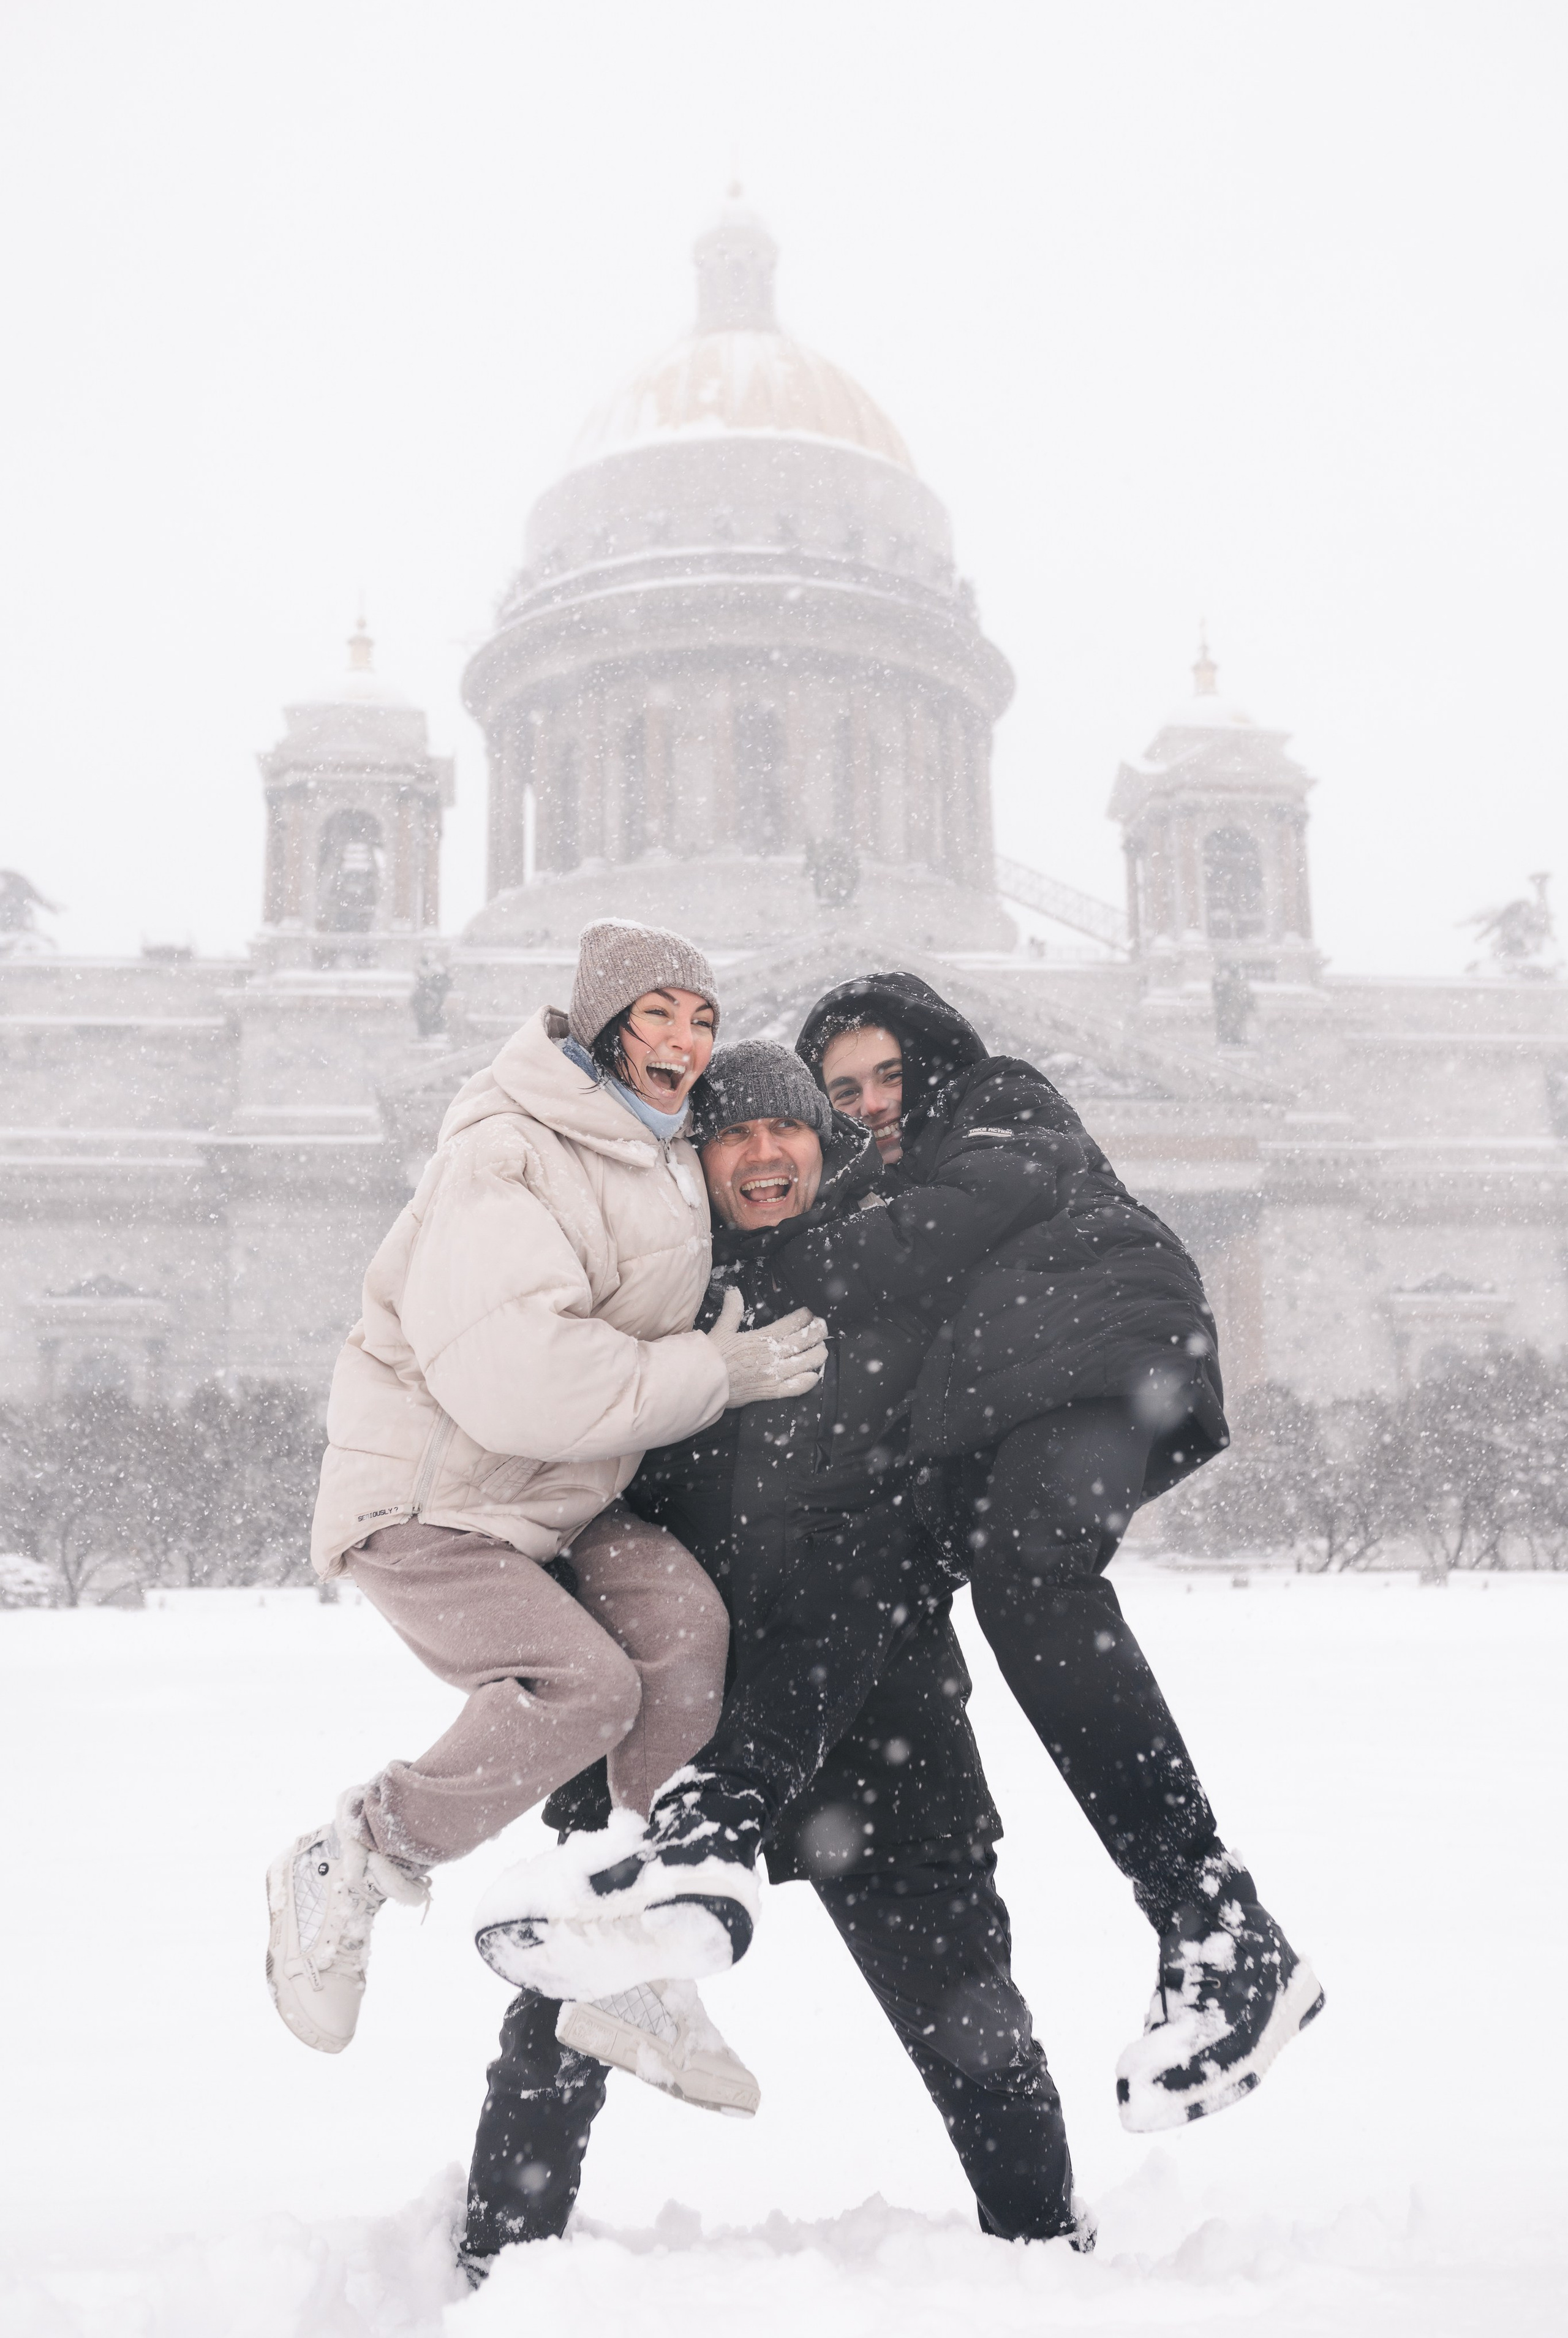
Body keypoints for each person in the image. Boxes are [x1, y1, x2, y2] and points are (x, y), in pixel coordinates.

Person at [462, 1043, 1087, 2271]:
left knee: (971, 2022)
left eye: (783, 1132)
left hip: (873, 1727)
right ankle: (496, 2261)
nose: (759, 1156)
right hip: (671, 1726)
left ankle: (1044, 2255)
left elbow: (870, 1566)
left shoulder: (896, 1305)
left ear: (823, 1144)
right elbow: (570, 1500)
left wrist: (748, 1767)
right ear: (689, 1160)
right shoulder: (645, 1310)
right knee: (568, 2015)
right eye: (728, 1136)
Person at [264, 923, 827, 2081]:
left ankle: (628, 1935)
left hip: (564, 1498)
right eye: (659, 1012)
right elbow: (520, 1381)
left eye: (703, 1020)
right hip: (436, 1495)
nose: (683, 1039)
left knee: (685, 1634)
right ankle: (358, 1853)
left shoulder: (664, 1150)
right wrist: (712, 1374)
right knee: (587, 1687)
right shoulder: (507, 1149)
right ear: (606, 1023)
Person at [792, 971, 1324, 2132]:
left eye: (889, 1073)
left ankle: (1219, 1922)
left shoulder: (1004, 1106)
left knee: (1031, 1578)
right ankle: (700, 1845)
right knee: (906, 1592)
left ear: (937, 1062)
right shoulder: (885, 1187)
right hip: (1008, 1399)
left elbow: (920, 1246)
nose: (872, 1101)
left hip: (1098, 1351)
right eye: (843, 1090)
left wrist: (778, 1241)